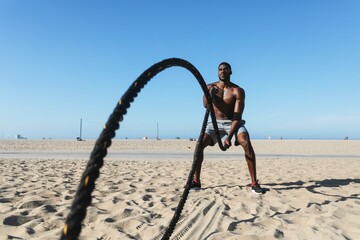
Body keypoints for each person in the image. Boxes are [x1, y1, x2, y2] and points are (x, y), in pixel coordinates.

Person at [190, 62, 265, 194]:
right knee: (199, 146)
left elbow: (237, 116)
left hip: (233, 122)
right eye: (220, 69)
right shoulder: (210, 87)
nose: (222, 71)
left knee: (246, 142)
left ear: (230, 72)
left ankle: (254, 182)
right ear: (217, 72)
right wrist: (210, 94)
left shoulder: (237, 91)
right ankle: (196, 181)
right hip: (215, 123)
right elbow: (205, 105)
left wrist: (229, 137)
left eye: (225, 69)